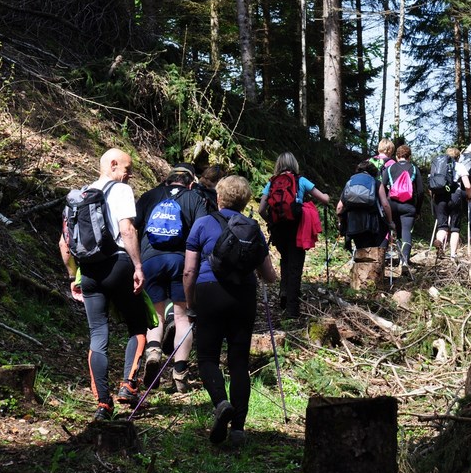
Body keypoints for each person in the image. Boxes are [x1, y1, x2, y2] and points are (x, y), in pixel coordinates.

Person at [183, 175, 277, 446]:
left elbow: (189, 270)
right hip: (243, 297)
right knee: (238, 362)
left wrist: (190, 305)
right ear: (246, 200)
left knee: (208, 357)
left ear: (219, 197)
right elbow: (269, 275)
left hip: (209, 293)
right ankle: (238, 429)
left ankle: (221, 402)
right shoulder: (253, 228)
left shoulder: (202, 224)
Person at [58, 148, 147, 421]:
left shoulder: (78, 196)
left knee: (98, 333)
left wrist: (74, 276)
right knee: (138, 324)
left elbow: (64, 244)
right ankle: (128, 385)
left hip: (90, 271)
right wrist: (138, 266)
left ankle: (102, 404)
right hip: (118, 264)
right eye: (127, 168)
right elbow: (127, 230)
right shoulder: (120, 191)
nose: (130, 174)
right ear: (112, 164)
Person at [135, 163, 208, 393]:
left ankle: (154, 352)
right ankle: (179, 374)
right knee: (182, 317)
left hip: (150, 260)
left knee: (155, 315)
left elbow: (132, 227)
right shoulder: (195, 199)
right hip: (181, 262)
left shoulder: (150, 196)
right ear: (190, 182)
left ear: (167, 179)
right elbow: (202, 233)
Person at [259, 152, 330, 318]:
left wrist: (271, 222)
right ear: (294, 164)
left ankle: (284, 293)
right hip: (297, 228)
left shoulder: (272, 182)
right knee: (295, 267)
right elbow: (324, 199)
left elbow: (261, 209)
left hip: (278, 230)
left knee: (285, 260)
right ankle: (292, 310)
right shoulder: (300, 180)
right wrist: (327, 196)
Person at [336, 160, 395, 251]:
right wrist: (390, 222)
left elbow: (340, 207)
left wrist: (340, 222)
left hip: (354, 224)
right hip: (373, 225)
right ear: (374, 172)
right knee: (374, 251)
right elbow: (385, 204)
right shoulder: (376, 183)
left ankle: (361, 264)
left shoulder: (351, 182)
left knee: (361, 250)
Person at [382, 144, 424, 266]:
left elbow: (383, 187)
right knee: (406, 231)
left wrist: (384, 205)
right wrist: (418, 209)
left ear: (396, 156)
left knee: (398, 231)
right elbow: (420, 191)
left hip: (392, 205)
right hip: (408, 205)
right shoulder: (414, 169)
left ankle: (398, 257)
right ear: (409, 157)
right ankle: (404, 261)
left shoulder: (389, 169)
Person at [431, 147, 464, 258]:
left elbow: (431, 185)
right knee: (455, 227)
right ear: (458, 157)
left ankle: (439, 241)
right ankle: (453, 254)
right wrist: (470, 195)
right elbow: (467, 185)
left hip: (439, 196)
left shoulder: (438, 166)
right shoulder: (459, 166)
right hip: (455, 196)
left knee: (442, 226)